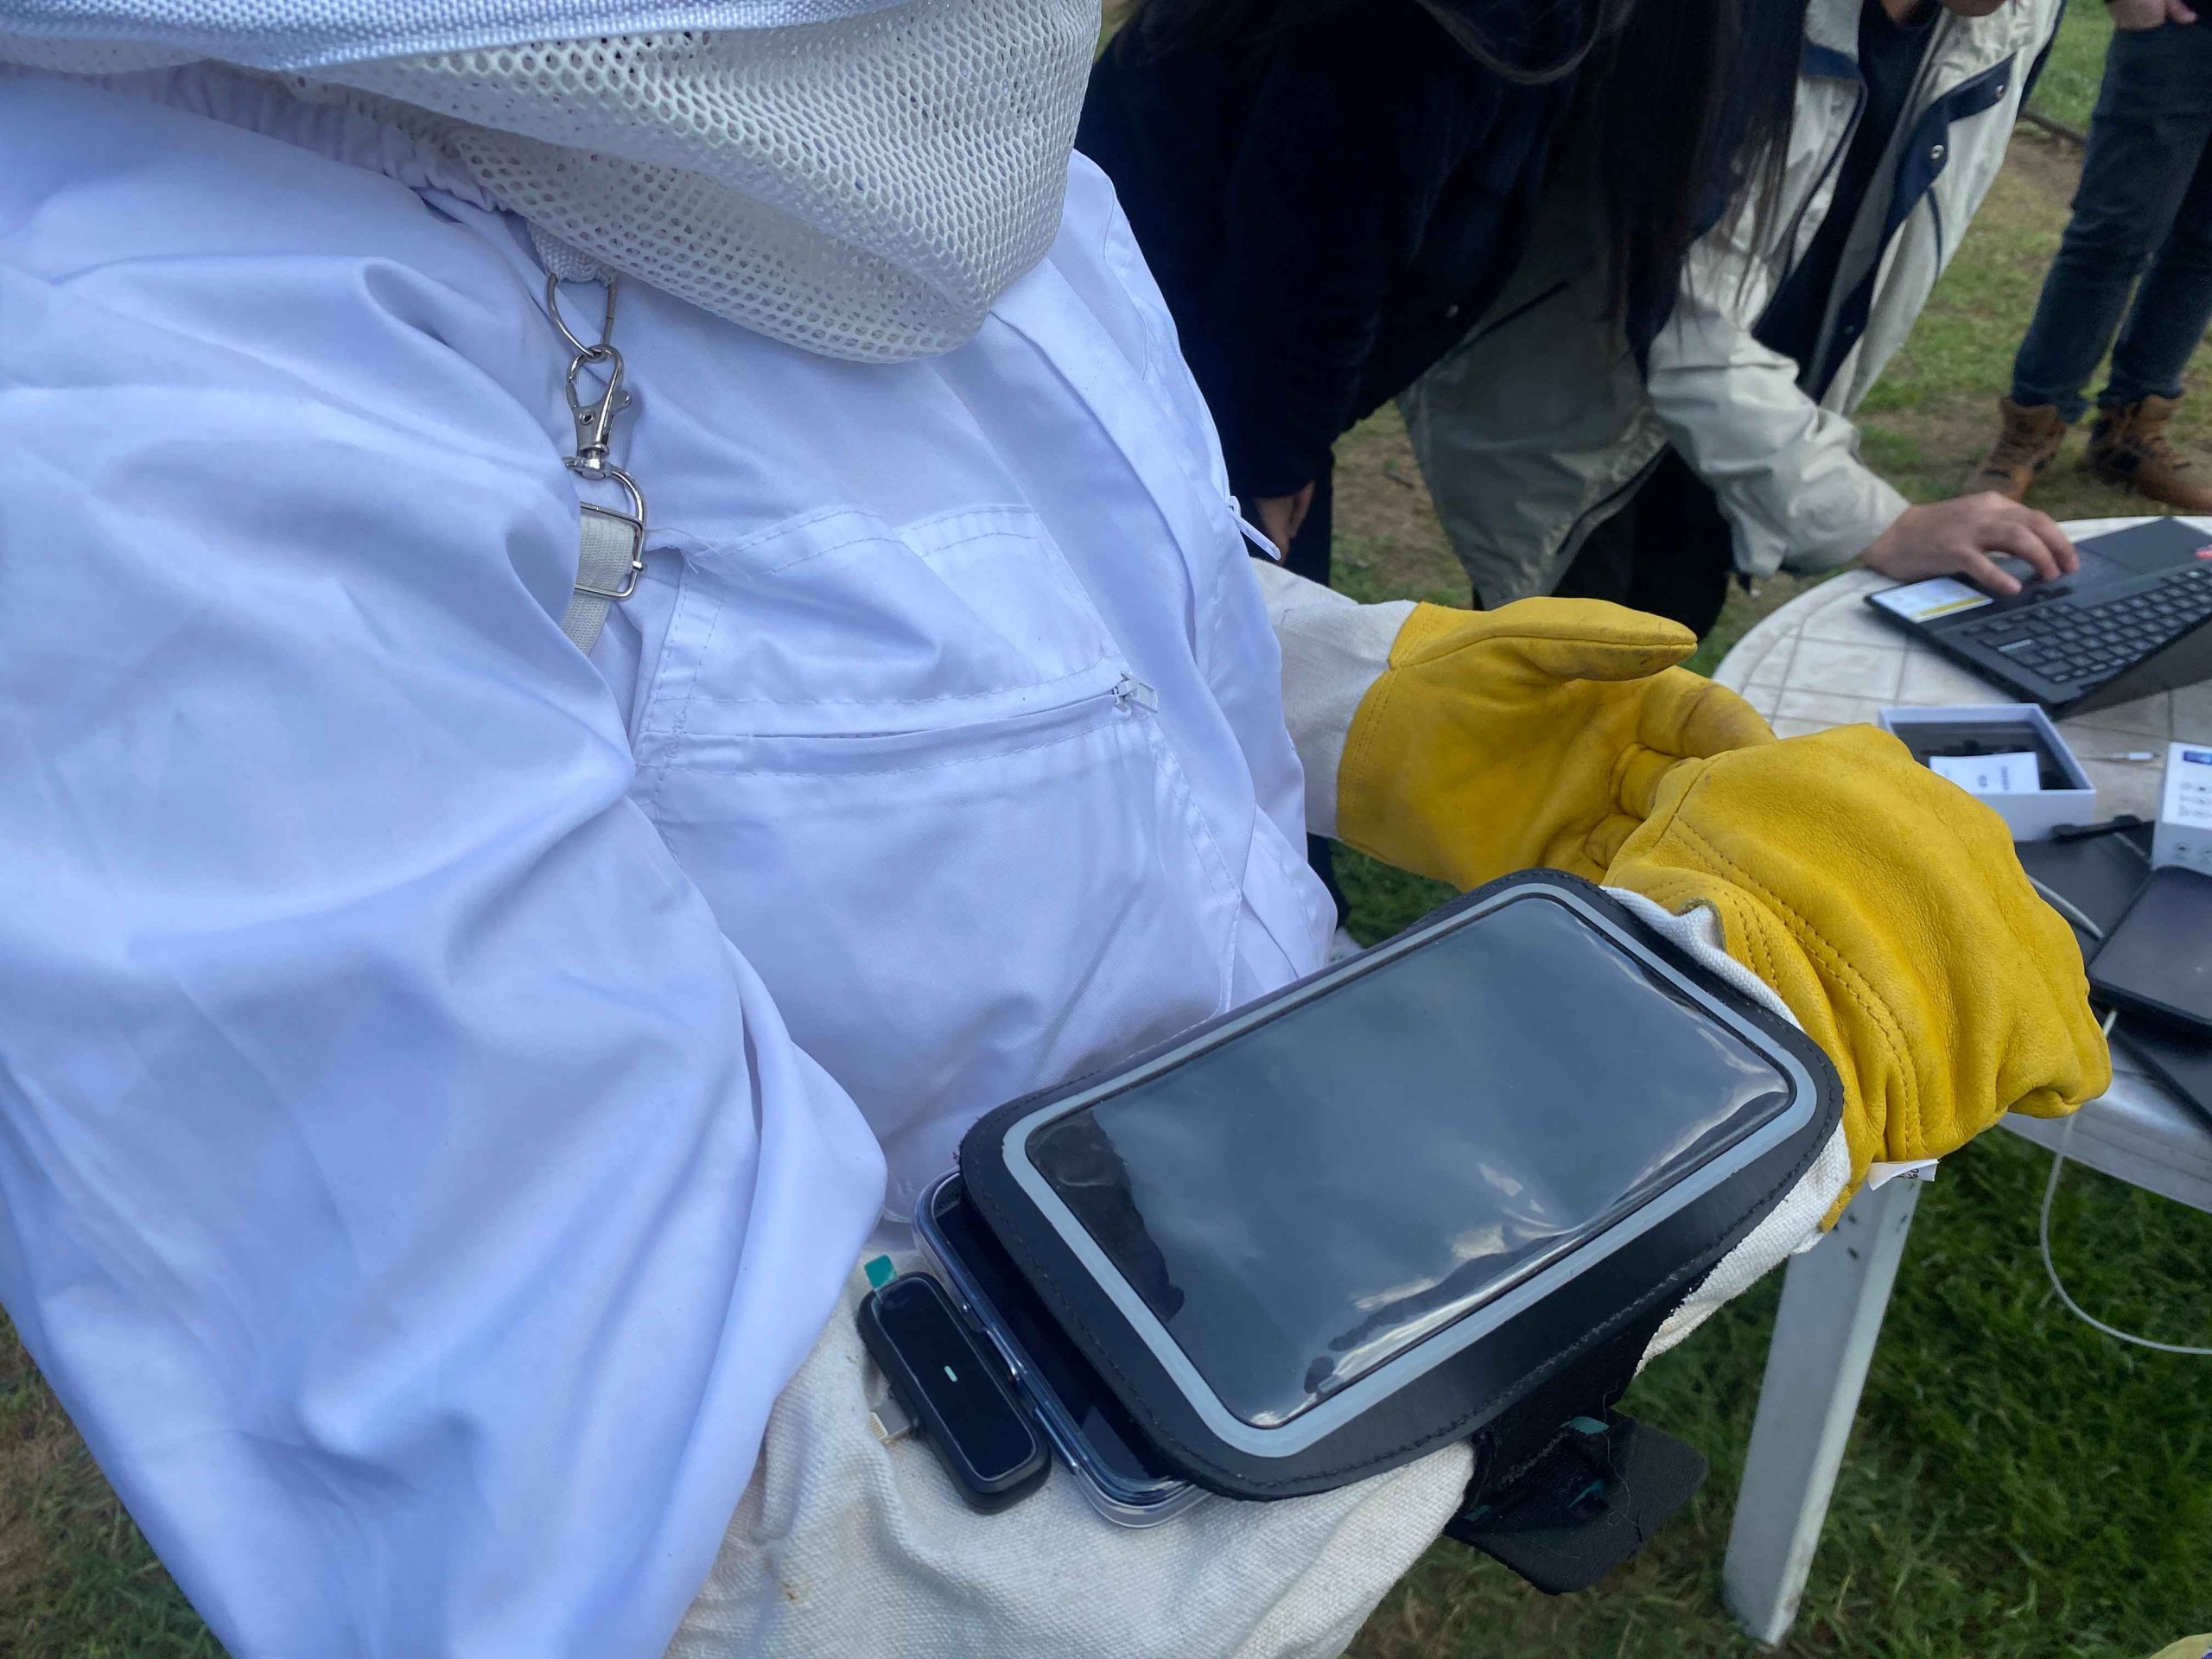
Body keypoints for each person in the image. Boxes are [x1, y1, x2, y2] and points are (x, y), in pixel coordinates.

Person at [0, 1, 2105, 1655]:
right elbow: (749, 1574)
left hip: (1257, 1439)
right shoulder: (122, 413)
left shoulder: (918, 90)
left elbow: (999, 573)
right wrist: (1740, 1033)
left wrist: (1371, 700)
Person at [1077, 0, 1798, 912]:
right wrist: (1274, 458)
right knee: (1195, 649)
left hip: (1228, 342)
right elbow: (1313, 235)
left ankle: (1288, 888)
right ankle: (1245, 900)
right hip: (1172, 340)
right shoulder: (1415, 32)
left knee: (1237, 641)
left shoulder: (1568, 36)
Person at [1406, 0, 2082, 635]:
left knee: (1673, 626)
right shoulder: (1723, 20)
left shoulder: (2018, 16)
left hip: (1750, 410)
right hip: (1575, 395)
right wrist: (1883, 524)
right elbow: (1677, 314)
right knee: (1560, 662)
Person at [1975, 0, 2212, 511]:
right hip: (2181, 29)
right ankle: (2032, 427)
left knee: (2205, 247)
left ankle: (2132, 434)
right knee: (2112, 236)